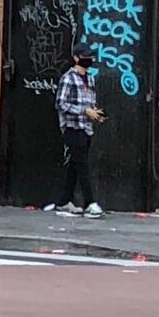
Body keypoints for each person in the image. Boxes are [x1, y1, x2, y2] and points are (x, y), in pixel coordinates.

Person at [50, 45, 106, 218]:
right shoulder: (68, 78)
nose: (89, 59)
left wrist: (95, 113)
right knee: (82, 165)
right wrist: (83, 111)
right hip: (73, 127)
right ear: (76, 57)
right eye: (85, 56)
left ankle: (63, 201)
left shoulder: (90, 79)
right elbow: (60, 103)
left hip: (87, 127)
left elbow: (89, 103)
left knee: (75, 165)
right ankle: (90, 202)